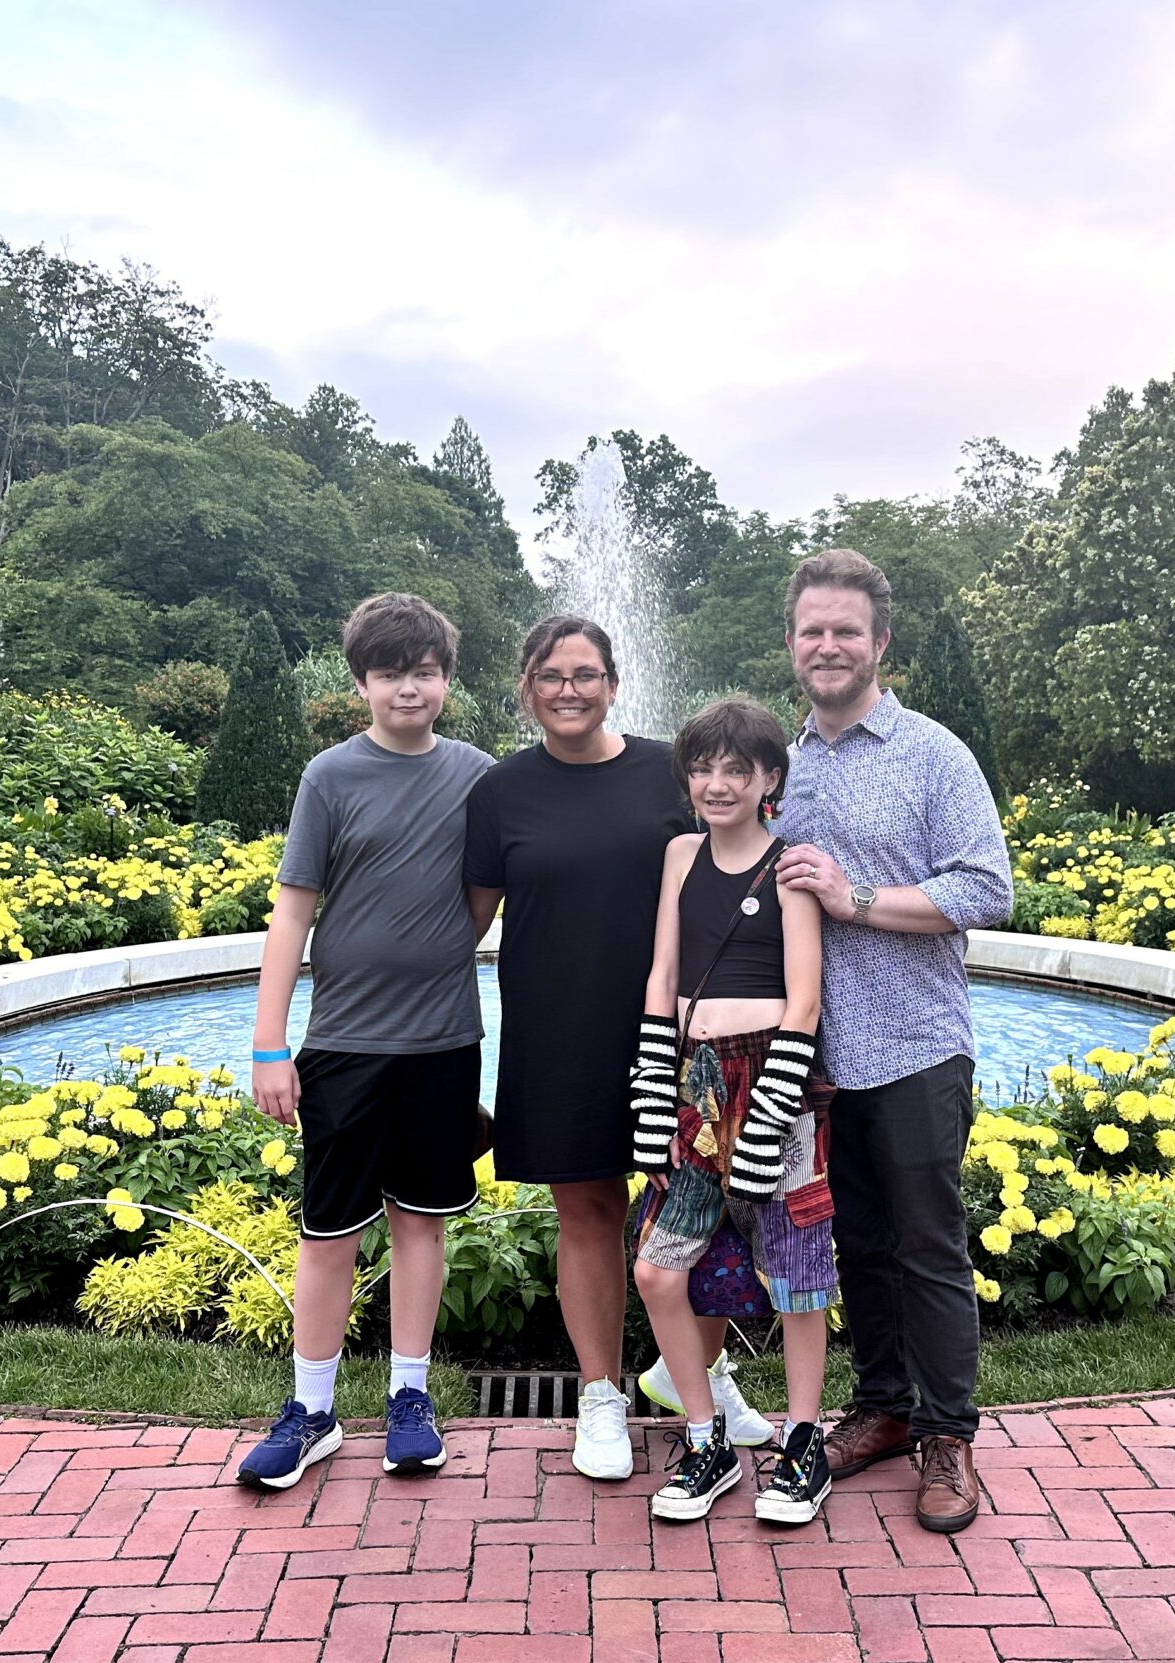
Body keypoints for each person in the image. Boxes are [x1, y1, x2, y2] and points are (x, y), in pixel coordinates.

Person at [465, 619, 769, 1482]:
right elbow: (467, 923)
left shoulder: (669, 773)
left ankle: (689, 1369)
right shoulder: (499, 792)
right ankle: (599, 1394)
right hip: (557, 1029)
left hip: (681, 1029)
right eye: (551, 675)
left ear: (613, 682)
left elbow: (736, 865)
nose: (569, 689)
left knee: (704, 1205)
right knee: (589, 1210)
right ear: (527, 686)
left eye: (586, 673)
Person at [772, 550, 1012, 1533]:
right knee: (857, 1243)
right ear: (792, 642)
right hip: (819, 1057)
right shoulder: (782, 764)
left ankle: (948, 1435)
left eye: (846, 630)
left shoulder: (932, 754)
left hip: (914, 1043)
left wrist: (856, 896)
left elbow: (986, 887)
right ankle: (883, 1406)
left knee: (927, 1246)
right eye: (812, 629)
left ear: (880, 641)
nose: (828, 645)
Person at [237, 594, 494, 1490]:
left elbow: (483, 898)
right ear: (361, 683)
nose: (408, 688)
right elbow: (292, 914)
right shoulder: (330, 777)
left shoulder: (477, 776)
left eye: (423, 671)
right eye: (389, 673)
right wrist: (269, 1044)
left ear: (447, 677)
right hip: (344, 1042)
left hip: (443, 1042)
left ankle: (409, 1400)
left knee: (421, 1223)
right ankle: (310, 1411)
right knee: (329, 1230)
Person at [630, 696, 837, 1524]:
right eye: (703, 767)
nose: (717, 783)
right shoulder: (680, 854)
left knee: (795, 1267)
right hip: (694, 1082)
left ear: (769, 779)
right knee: (658, 1267)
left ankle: (803, 1442)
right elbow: (661, 976)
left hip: (773, 1078)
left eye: (736, 770)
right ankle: (705, 1437)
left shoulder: (792, 867)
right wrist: (654, 1092)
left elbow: (805, 999)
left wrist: (773, 1115)